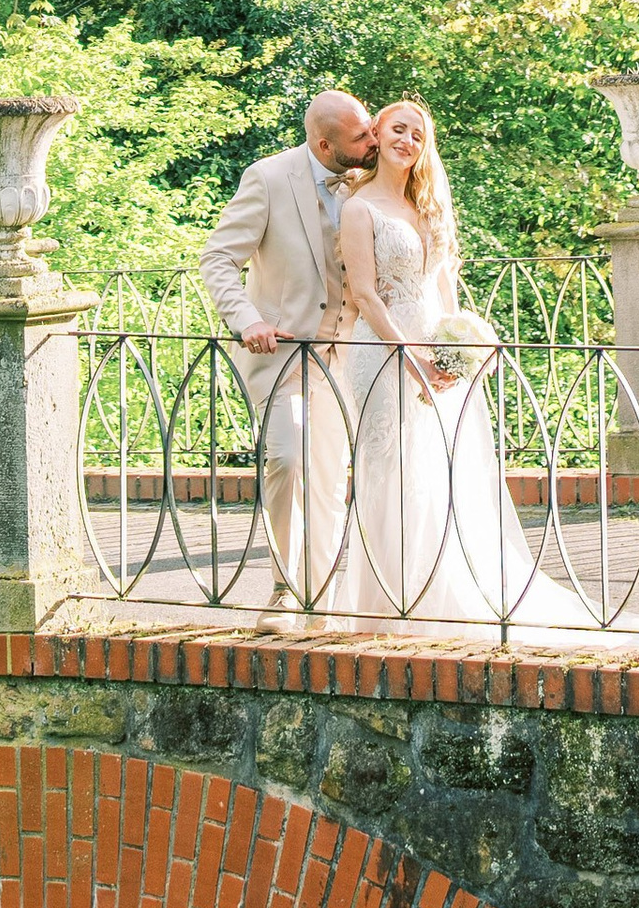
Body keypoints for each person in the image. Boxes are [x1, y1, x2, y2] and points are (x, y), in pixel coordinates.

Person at [337, 98, 578, 633]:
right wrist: (411, 357)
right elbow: (365, 296)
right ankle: (389, 605)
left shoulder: (426, 210)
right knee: (392, 468)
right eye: (399, 129)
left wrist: (459, 348)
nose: (408, 140)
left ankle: (444, 589)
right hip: (383, 353)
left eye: (418, 135)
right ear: (377, 134)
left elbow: (444, 289)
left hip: (436, 352)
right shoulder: (359, 209)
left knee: (441, 469)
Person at [197, 90, 376, 609]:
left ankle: (319, 591)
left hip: (349, 355)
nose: (371, 141)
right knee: (287, 459)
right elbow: (217, 258)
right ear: (325, 143)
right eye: (360, 136)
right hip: (283, 357)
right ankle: (281, 586)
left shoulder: (372, 179)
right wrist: (248, 319)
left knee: (329, 474)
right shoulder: (269, 178)